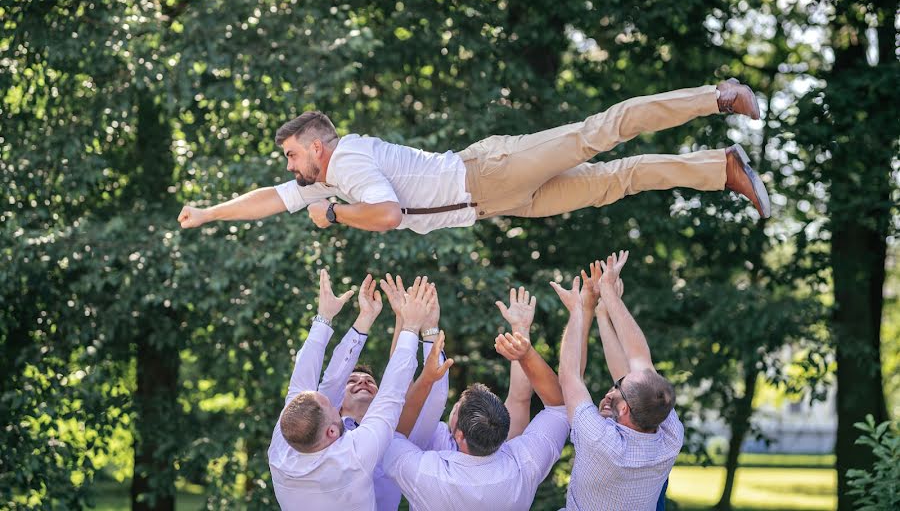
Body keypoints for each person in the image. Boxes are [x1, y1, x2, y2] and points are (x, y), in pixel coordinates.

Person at [177, 79, 771, 235]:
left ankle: (715, 97)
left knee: (600, 133)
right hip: (496, 203)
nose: (288, 168)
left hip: (490, 171)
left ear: (314, 147)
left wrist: (333, 217)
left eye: (289, 156)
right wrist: (209, 212)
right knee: (619, 181)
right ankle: (721, 168)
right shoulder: (325, 181)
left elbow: (384, 216)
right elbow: (270, 200)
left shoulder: (348, 167)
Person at [381, 287, 571, 511]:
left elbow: (392, 423)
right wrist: (521, 336)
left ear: (459, 434)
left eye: (459, 406)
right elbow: (556, 405)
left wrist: (410, 326)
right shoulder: (522, 466)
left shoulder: (426, 473)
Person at [267, 269, 433, 511]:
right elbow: (390, 394)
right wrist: (411, 326)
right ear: (333, 432)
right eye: (331, 405)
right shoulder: (353, 456)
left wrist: (328, 317)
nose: (331, 396)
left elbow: (307, 378)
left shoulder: (284, 444)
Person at [552, 251, 683, 511]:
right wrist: (607, 301)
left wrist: (578, 310)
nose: (615, 383)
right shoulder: (669, 436)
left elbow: (569, 375)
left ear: (623, 409)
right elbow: (639, 357)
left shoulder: (600, 442)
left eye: (618, 386)